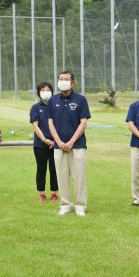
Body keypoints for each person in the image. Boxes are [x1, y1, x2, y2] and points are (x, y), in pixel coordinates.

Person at [48, 71, 91, 216]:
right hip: (59, 146)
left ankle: (80, 205)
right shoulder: (53, 100)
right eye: (60, 79)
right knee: (61, 176)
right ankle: (65, 204)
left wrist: (71, 141)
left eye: (66, 79)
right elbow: (50, 123)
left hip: (77, 145)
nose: (63, 81)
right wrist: (59, 142)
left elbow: (83, 122)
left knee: (79, 176)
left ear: (73, 82)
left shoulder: (80, 99)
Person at [29, 81, 59, 202]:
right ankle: (41, 193)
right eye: (42, 90)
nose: (45, 92)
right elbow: (35, 126)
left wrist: (54, 141)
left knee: (54, 169)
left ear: (52, 92)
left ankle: (54, 193)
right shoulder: (35, 107)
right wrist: (45, 140)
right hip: (40, 145)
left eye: (48, 90)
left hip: (55, 144)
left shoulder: (56, 106)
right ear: (38, 93)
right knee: (41, 169)